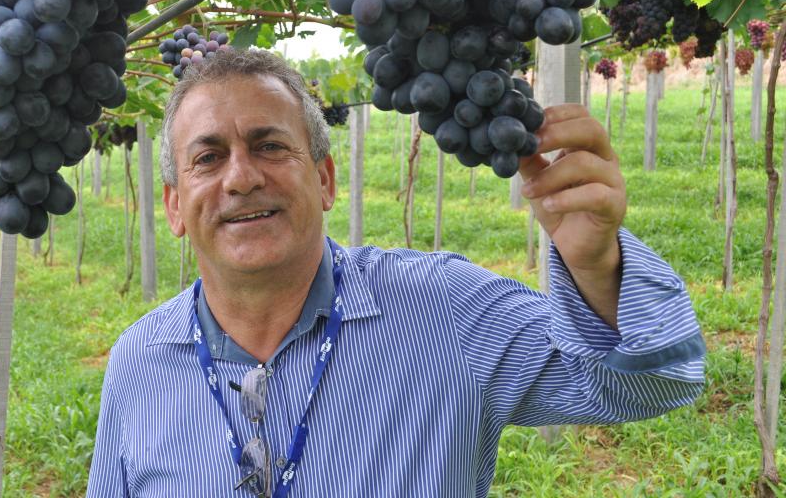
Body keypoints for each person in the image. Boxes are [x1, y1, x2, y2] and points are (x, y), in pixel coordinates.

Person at [86, 48, 705, 497]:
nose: (242, 177)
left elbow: (651, 385)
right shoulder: (138, 362)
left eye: (271, 146)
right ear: (173, 206)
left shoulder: (446, 311)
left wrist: (597, 265)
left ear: (325, 180)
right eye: (208, 157)